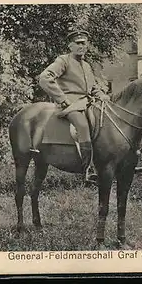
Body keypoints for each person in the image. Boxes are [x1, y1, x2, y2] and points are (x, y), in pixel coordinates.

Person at [38, 29, 110, 184]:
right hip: (69, 105)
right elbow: (45, 78)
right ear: (70, 46)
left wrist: (102, 95)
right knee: (83, 126)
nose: (81, 46)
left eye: (83, 43)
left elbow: (92, 88)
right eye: (77, 43)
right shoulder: (63, 61)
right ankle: (88, 170)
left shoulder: (87, 66)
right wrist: (62, 99)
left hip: (87, 104)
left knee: (104, 123)